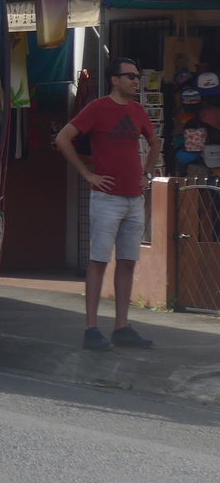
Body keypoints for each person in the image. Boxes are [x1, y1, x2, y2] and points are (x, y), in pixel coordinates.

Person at [55, 57, 160, 350]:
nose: (136, 81)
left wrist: (147, 174)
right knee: (99, 261)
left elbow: (154, 142)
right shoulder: (98, 108)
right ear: (115, 79)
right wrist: (88, 174)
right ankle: (91, 328)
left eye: (137, 76)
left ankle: (121, 326)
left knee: (127, 261)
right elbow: (64, 138)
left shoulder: (138, 110)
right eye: (130, 76)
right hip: (107, 198)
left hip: (133, 198)